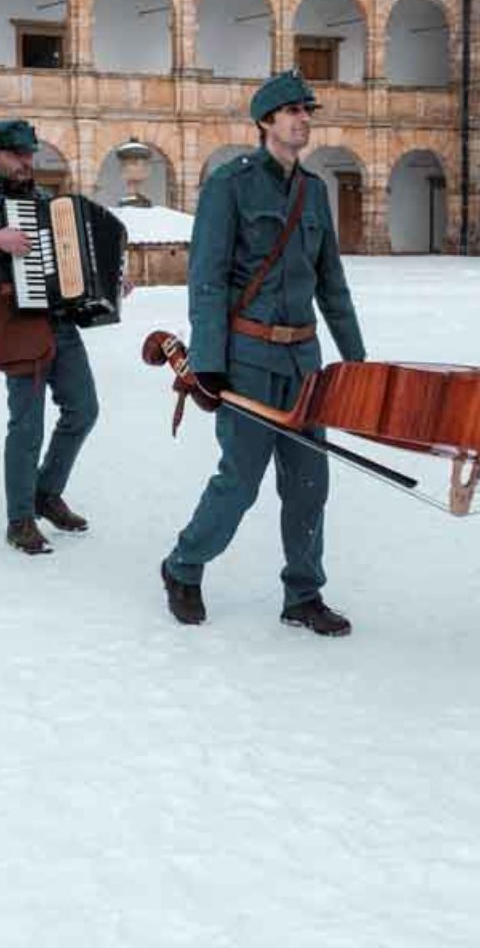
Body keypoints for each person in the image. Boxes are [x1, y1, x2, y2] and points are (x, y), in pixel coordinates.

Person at [160, 70, 366, 634]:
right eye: (292, 111)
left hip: (305, 364)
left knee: (309, 484)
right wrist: (208, 364)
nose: (303, 120)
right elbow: (206, 279)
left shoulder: (314, 192)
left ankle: (303, 594)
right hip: (248, 360)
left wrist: (356, 362)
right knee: (240, 481)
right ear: (265, 121)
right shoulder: (230, 185)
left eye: (307, 111)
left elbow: (333, 286)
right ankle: (183, 565)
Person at [0, 119, 99, 555]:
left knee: (83, 410)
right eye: (16, 154)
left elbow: (73, 256)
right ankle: (20, 519)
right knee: (27, 423)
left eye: (29, 153)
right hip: (16, 319)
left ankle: (46, 493)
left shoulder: (47, 202)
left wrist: (104, 281)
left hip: (60, 321)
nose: (25, 161)